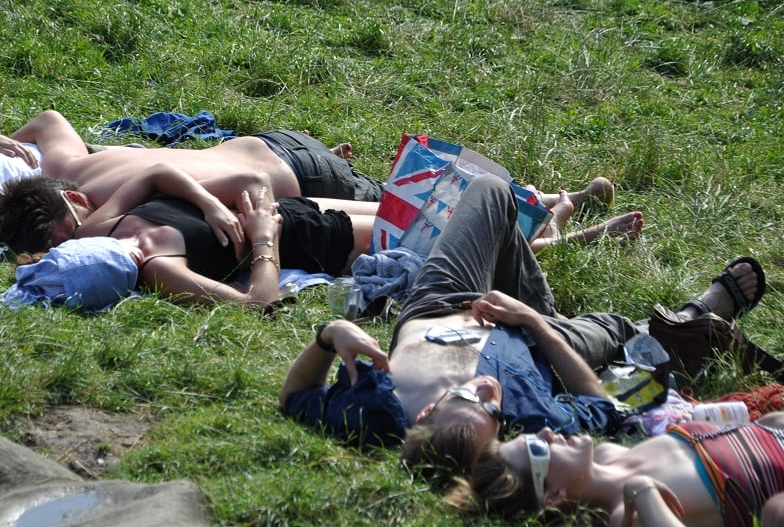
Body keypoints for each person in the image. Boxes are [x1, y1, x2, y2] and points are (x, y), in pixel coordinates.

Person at [278, 174, 764, 478]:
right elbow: (599, 404)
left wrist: (329, 336)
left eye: (472, 398)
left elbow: (295, 398)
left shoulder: (376, 414)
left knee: (490, 192)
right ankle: (700, 310)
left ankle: (557, 243)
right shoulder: (533, 425)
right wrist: (534, 322)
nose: (488, 389)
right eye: (494, 409)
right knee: (618, 330)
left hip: (440, 302)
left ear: (423, 415)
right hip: (532, 338)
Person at [0, 110, 384, 226]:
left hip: (306, 177)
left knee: (424, 213)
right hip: (275, 143)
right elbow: (50, 119)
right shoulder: (70, 162)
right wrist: (0, 137)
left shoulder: (98, 203)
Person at [0, 171, 376, 309]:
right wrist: (263, 239)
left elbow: (158, 173)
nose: (72, 242)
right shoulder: (154, 265)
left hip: (295, 215)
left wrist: (210, 205)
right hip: (316, 240)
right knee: (425, 226)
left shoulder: (98, 227)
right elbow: (260, 303)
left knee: (422, 215)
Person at [450, 411, 784, 526]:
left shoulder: (611, 453)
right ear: (553, 495)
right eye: (538, 448)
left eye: (534, 434)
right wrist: (642, 489)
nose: (547, 433)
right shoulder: (627, 514)